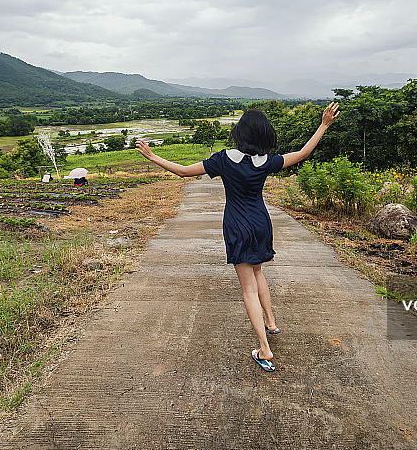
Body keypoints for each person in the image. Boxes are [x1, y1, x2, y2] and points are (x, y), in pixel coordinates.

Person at [136, 102, 339, 372]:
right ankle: (271, 322)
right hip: (261, 223)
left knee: (248, 289)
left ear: (240, 133)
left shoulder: (223, 160)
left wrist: (153, 157)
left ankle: (264, 350)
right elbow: (302, 153)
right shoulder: (266, 162)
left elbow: (183, 171)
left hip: (237, 226)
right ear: (264, 135)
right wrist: (323, 125)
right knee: (258, 272)